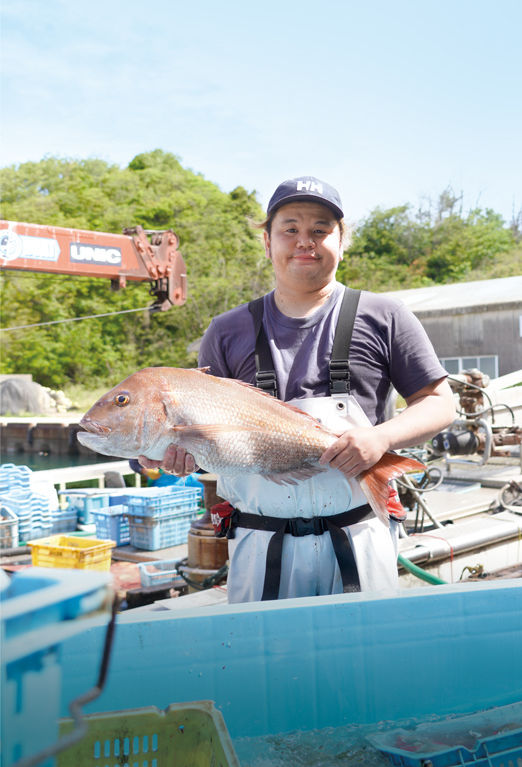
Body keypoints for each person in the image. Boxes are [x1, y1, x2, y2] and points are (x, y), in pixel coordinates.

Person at [139, 176, 456, 603]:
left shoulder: (387, 315)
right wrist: (183, 459)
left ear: (342, 242)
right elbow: (212, 440)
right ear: (267, 243)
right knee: (268, 665)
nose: (304, 241)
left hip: (359, 535)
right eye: (290, 229)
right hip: (259, 542)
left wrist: (382, 438)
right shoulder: (226, 331)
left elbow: (439, 404)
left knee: (360, 662)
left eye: (320, 230)